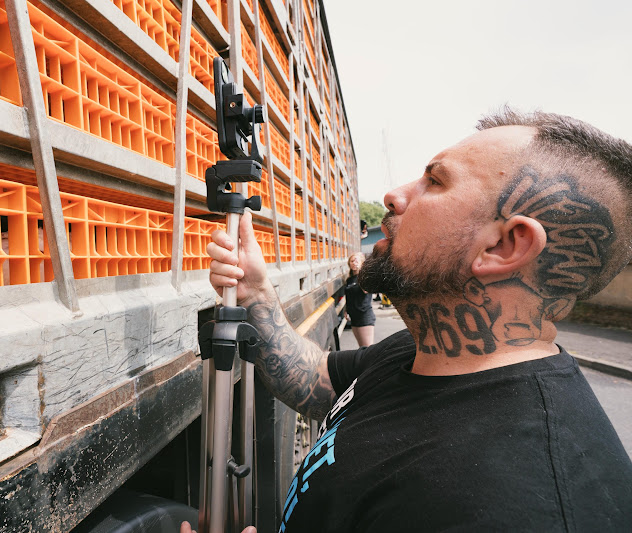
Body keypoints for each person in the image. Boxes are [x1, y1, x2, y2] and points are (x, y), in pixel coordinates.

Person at [207, 109, 632, 531]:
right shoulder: (427, 347)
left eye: (436, 181)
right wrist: (257, 293)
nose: (394, 196)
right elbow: (313, 380)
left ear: (504, 246)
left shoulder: (517, 508)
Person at [344, 252, 375, 346]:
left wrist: (362, 272)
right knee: (361, 348)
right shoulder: (349, 279)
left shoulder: (365, 277)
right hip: (354, 317)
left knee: (367, 348)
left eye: (356, 260)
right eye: (352, 261)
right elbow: (349, 296)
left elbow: (366, 290)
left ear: (362, 262)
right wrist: (346, 310)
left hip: (364, 316)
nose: (354, 263)